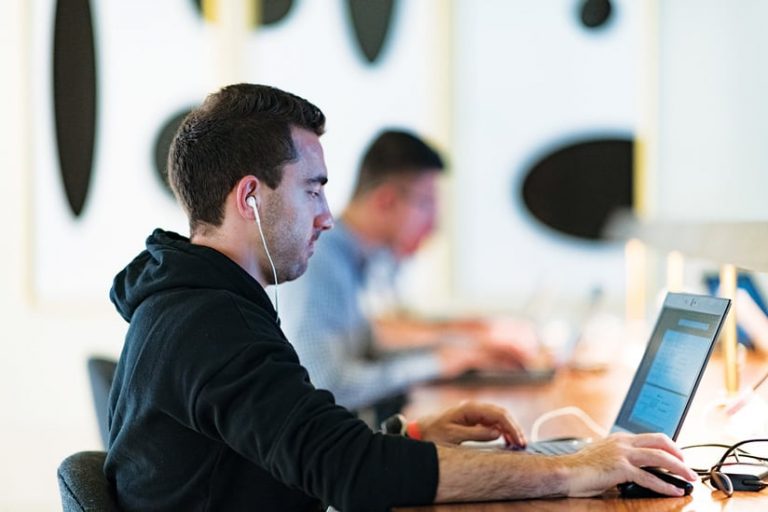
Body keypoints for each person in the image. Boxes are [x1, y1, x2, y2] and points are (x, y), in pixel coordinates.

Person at [106, 83, 696, 512]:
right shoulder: (211, 324)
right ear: (251, 199)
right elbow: (349, 477)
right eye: (313, 191)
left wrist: (408, 438)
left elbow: (294, 450)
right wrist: (572, 469)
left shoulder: (193, 301)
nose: (328, 218)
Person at [280, 129, 538, 419]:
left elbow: (374, 345)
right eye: (426, 203)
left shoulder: (363, 262)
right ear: (386, 201)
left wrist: (461, 351)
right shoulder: (320, 262)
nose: (435, 224)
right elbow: (328, 387)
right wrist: (438, 362)